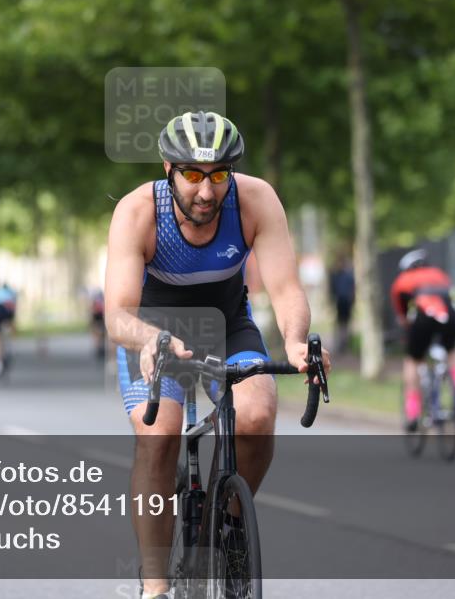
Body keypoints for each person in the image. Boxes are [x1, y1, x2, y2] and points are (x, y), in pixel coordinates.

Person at [105, 111, 330, 599]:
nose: (206, 191)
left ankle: (220, 531)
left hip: (227, 325)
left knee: (257, 411)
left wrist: (294, 341)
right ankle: (157, 587)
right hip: (153, 332)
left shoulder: (255, 201)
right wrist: (148, 341)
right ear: (168, 169)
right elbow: (117, 314)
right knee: (158, 435)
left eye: (218, 176)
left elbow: (287, 288)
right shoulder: (138, 212)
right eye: (191, 175)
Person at [389, 249, 455, 432]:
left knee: (413, 360)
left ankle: (413, 414)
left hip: (423, 317)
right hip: (452, 316)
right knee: (452, 350)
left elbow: (403, 317)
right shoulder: (440, 274)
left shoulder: (402, 282)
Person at [328, 254, 355, 355]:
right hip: (341, 302)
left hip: (345, 302)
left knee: (344, 324)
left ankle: (344, 343)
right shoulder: (340, 276)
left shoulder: (344, 276)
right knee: (342, 324)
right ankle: (342, 343)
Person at [0, 282, 17, 372]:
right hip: (7, 314)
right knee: (8, 330)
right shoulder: (11, 293)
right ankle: (9, 349)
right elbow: (13, 307)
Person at [89, 287, 107, 360]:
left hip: (100, 319)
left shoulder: (99, 301)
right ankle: (98, 348)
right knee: (98, 335)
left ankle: (99, 348)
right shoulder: (98, 302)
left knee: (98, 335)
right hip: (97, 319)